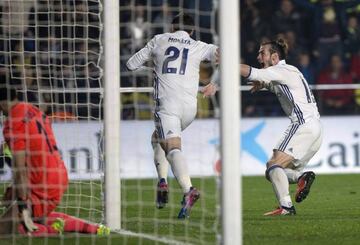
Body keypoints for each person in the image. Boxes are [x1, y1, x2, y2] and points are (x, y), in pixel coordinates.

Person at [126, 13, 218, 219]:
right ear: (192, 31)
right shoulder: (198, 45)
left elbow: (131, 64)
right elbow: (223, 54)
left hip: (167, 105)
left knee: (172, 147)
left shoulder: (159, 39)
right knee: (157, 138)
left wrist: (153, 67)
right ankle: (162, 181)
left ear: (172, 26)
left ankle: (188, 190)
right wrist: (215, 82)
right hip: (190, 108)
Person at [0, 86, 110, 235]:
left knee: (7, 229)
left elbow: (20, 171)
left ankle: (52, 229)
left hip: (42, 183)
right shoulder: (32, 109)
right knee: (11, 200)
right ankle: (93, 228)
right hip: (57, 173)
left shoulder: (13, 123)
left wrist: (23, 205)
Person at [240, 38, 323, 216]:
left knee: (273, 165)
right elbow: (274, 83)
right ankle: (301, 178)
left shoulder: (279, 70)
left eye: (262, 53)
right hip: (316, 129)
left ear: (275, 57)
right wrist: (262, 83)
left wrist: (228, 62)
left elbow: (250, 72)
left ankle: (286, 207)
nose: (258, 56)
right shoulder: (287, 71)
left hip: (303, 125)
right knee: (275, 171)